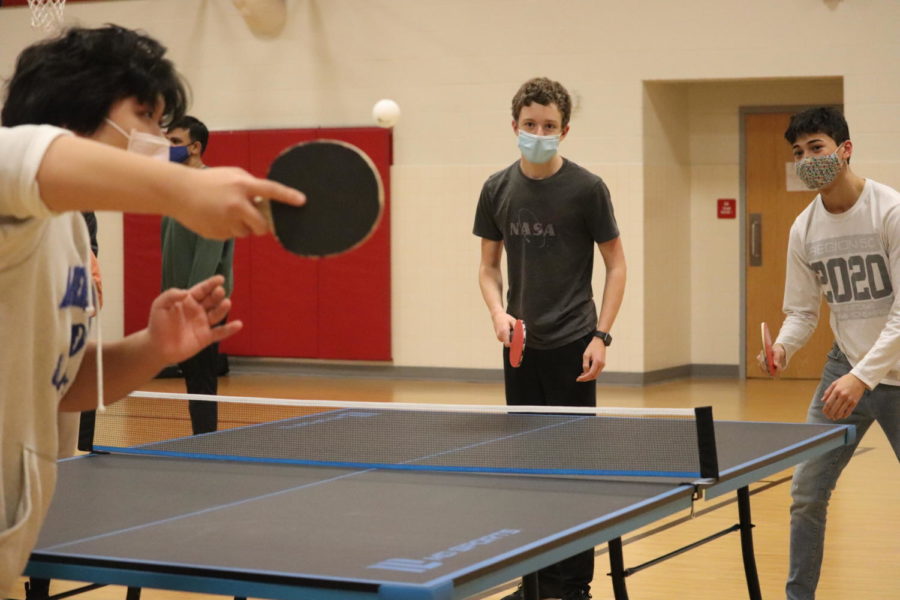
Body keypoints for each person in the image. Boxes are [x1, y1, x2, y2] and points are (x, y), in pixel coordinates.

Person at [0, 25, 304, 591]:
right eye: (144, 119)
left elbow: (61, 388)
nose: (156, 141)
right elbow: (17, 154)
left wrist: (152, 348)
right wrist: (183, 189)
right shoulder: (10, 191)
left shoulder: (68, 225)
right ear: (73, 109)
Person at [473, 77, 627, 600]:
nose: (539, 133)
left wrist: (601, 334)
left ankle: (572, 588)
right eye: (530, 124)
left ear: (565, 130)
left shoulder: (587, 189)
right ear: (514, 124)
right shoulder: (497, 188)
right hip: (519, 347)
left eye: (550, 126)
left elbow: (617, 266)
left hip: (573, 346)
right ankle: (534, 585)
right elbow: (488, 268)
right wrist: (497, 312)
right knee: (527, 472)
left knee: (571, 474)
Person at [758, 106, 900, 600]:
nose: (807, 160)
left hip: (890, 373)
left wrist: (862, 376)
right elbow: (802, 312)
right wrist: (781, 347)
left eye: (816, 148)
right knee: (806, 494)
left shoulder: (890, 212)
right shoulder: (804, 228)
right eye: (798, 153)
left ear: (845, 149)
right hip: (846, 371)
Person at [163, 115, 233, 434]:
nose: (168, 148)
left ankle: (206, 445)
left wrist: (192, 304)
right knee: (191, 378)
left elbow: (208, 255)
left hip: (202, 306)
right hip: (180, 304)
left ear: (195, 147)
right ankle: (200, 442)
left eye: (174, 142)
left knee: (202, 382)